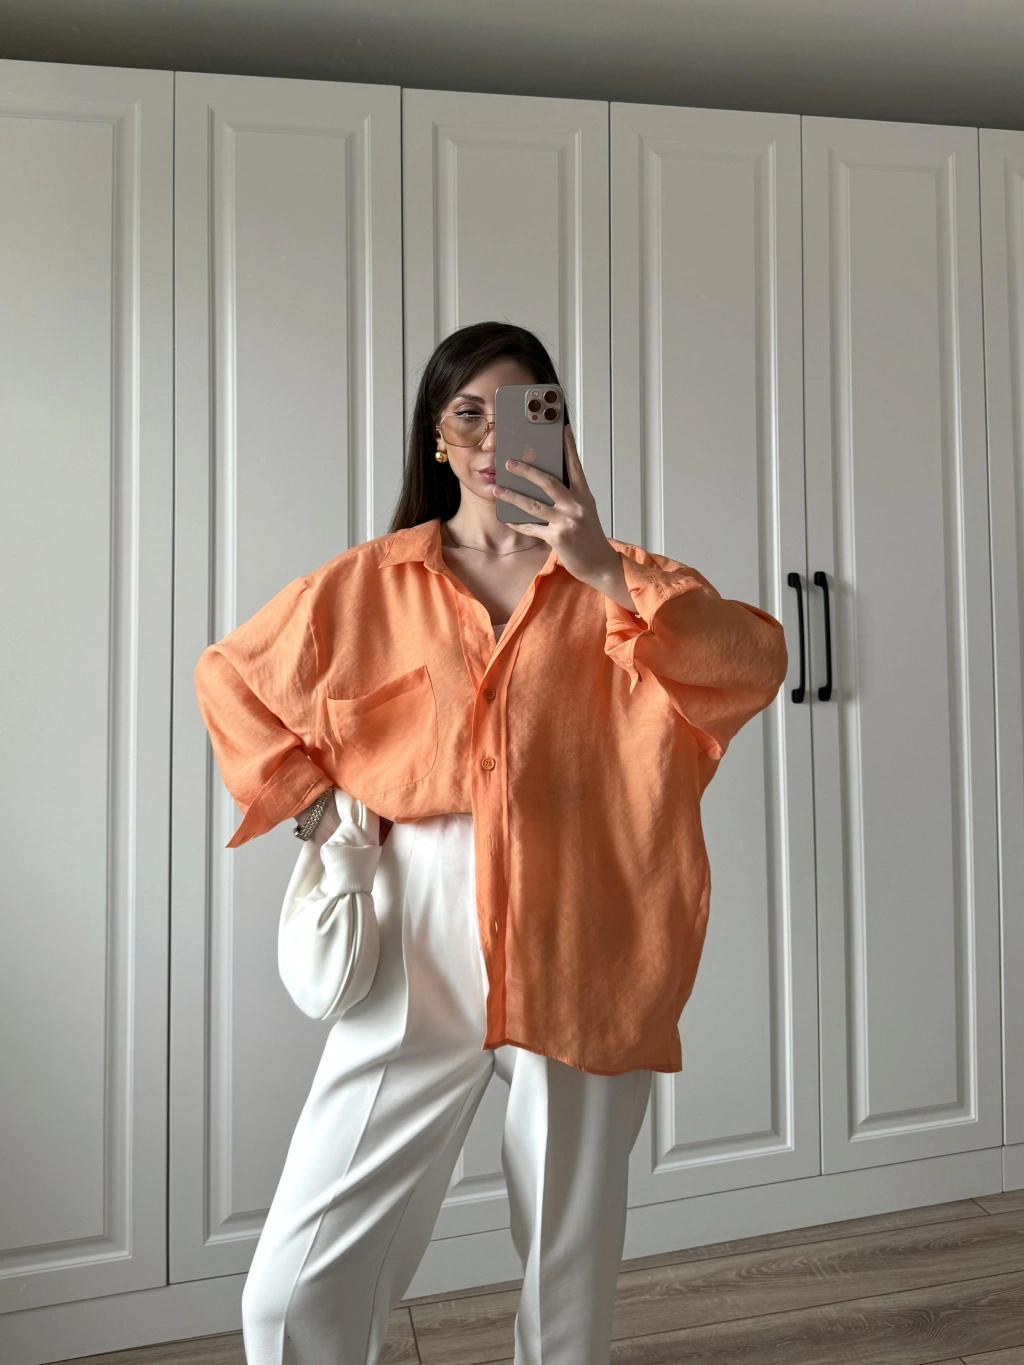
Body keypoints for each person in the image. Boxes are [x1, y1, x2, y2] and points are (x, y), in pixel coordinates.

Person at [193, 321, 789, 1365]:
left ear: (555, 430)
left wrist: (602, 571)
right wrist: (320, 811)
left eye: (517, 414)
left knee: (566, 1278)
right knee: (288, 1291)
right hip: (416, 931)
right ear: (436, 434)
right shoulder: (370, 584)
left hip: (587, 927)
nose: (487, 439)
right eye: (465, 413)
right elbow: (230, 680)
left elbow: (750, 665)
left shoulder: (629, 581)